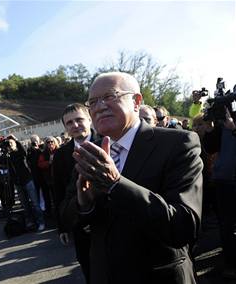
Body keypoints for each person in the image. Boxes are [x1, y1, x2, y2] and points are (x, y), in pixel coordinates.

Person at [61, 72, 203, 284]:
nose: (99, 107)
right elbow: (65, 214)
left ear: (136, 101)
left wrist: (116, 184)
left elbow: (184, 226)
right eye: (92, 102)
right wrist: (84, 203)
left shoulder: (178, 144)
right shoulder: (90, 152)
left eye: (110, 96)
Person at [52, 103, 94, 280]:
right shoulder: (61, 155)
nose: (75, 125)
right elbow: (58, 191)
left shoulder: (109, 141)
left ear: (90, 119)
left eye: (79, 120)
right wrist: (62, 226)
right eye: (69, 123)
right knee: (90, 269)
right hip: (79, 224)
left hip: (113, 221)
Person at [202, 107, 236, 279]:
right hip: (224, 181)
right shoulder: (225, 121)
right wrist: (210, 130)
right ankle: (230, 263)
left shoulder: (231, 124)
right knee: (225, 225)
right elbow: (211, 147)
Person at [4, 135, 45, 231]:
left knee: (35, 203)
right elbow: (0, 160)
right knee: (25, 205)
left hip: (27, 180)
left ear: (15, 144)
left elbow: (23, 150)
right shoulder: (8, 156)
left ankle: (41, 222)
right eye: (8, 144)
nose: (10, 145)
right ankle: (30, 222)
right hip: (18, 183)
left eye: (11, 143)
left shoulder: (20, 152)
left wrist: (16, 140)